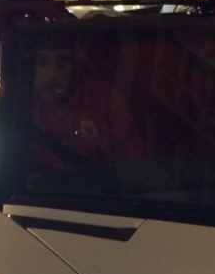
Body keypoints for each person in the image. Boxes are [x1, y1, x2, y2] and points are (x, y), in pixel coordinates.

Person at [28, 38, 145, 182]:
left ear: (74, 66)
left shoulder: (103, 97)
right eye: (41, 62)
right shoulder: (18, 108)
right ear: (30, 68)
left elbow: (134, 163)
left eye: (62, 62)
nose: (53, 74)